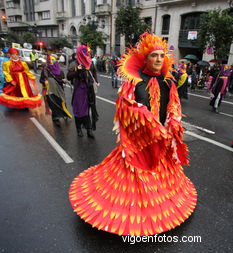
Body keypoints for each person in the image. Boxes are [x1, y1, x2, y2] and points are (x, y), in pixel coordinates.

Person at [68, 33, 197, 236]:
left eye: (162, 56)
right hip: (138, 140)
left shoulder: (169, 82)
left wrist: (172, 122)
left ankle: (160, 205)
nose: (158, 60)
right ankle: (136, 212)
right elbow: (125, 106)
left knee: (161, 172)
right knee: (136, 173)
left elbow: (174, 106)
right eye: (154, 55)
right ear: (145, 58)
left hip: (162, 139)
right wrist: (148, 122)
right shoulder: (134, 81)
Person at [67, 45, 99, 138]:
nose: (86, 54)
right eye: (84, 52)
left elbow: (94, 72)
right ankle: (79, 129)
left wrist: (96, 81)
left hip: (89, 89)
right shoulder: (74, 64)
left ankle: (89, 130)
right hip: (79, 90)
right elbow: (69, 76)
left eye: (87, 52)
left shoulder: (90, 62)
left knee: (89, 109)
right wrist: (77, 71)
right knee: (79, 111)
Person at [40, 54, 72, 127]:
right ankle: (55, 118)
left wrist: (64, 80)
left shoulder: (60, 71)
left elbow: (62, 80)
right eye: (50, 60)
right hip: (51, 91)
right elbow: (41, 80)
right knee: (54, 104)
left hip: (60, 90)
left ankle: (64, 114)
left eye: (53, 60)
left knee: (62, 102)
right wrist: (44, 82)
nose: (51, 62)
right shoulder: (45, 70)